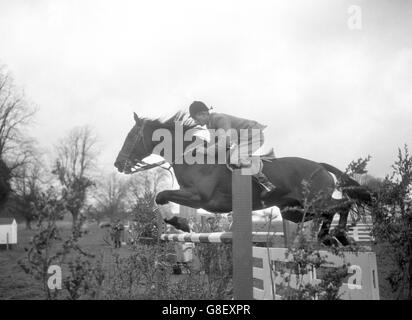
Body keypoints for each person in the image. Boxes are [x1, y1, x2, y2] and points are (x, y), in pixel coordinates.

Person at [188, 100, 276, 198]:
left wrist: (205, 150)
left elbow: (224, 142)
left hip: (253, 135)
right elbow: (216, 145)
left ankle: (267, 184)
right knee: (228, 158)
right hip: (243, 139)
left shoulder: (219, 119)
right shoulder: (210, 124)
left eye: (195, 118)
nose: (196, 122)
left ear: (203, 114)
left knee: (235, 159)